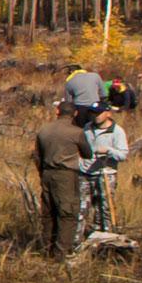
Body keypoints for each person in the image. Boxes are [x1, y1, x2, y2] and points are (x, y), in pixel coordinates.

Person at [34, 103, 91, 257]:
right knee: (67, 213)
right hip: (66, 175)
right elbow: (88, 154)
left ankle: (47, 249)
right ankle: (61, 252)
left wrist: (42, 173)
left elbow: (37, 156)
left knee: (48, 212)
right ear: (76, 113)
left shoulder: (44, 130)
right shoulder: (77, 132)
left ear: (57, 111)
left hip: (46, 173)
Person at [80, 103, 128, 236]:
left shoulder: (117, 131)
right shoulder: (87, 128)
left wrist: (108, 151)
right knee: (82, 207)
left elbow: (123, 155)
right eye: (93, 113)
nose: (95, 116)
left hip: (106, 173)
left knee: (105, 207)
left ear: (108, 113)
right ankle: (82, 238)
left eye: (98, 113)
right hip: (86, 173)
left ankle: (107, 236)